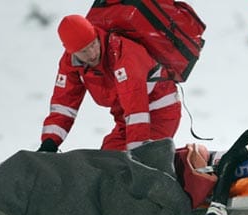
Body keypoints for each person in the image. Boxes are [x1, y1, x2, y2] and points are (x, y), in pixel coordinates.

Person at [37, 14, 181, 152]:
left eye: (93, 44)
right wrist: (50, 142)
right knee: (106, 163)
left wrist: (137, 153)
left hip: (159, 113)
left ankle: (188, 167)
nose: (92, 54)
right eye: (84, 51)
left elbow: (136, 108)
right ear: (71, 52)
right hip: (126, 120)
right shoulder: (71, 63)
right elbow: (64, 104)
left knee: (138, 165)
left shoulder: (123, 54)